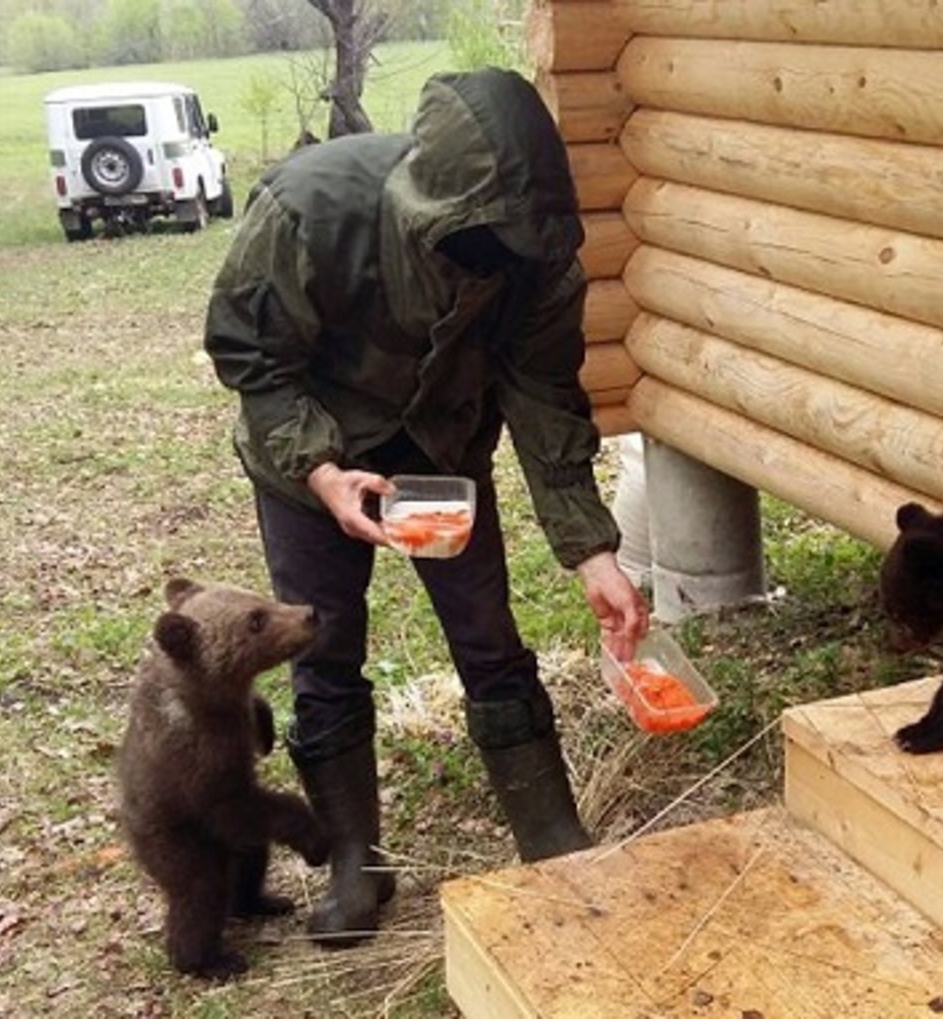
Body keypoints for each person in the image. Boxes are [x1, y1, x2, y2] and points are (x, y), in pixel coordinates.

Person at [202, 68, 649, 947]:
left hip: (441, 449)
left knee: (490, 641)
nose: (503, 256)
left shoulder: (537, 258)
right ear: (435, 206)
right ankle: (354, 865)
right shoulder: (309, 211)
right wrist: (321, 470)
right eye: (484, 240)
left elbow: (546, 399)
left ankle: (551, 838)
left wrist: (592, 551)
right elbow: (250, 355)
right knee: (322, 646)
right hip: (311, 454)